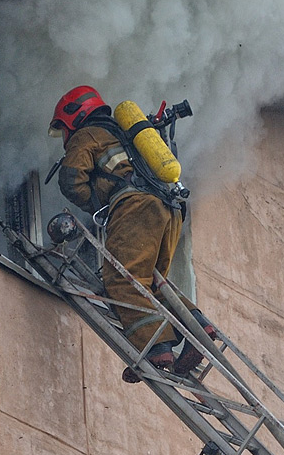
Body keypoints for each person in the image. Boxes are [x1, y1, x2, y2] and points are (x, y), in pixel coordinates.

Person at [49, 85, 207, 381]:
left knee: (121, 280)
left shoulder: (87, 135)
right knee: (151, 283)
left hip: (134, 207)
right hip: (168, 207)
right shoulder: (125, 135)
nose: (65, 136)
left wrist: (97, 201)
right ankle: (198, 329)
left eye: (63, 129)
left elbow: (72, 180)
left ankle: (155, 346)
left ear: (74, 116)